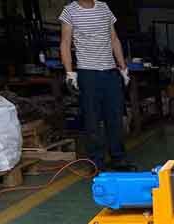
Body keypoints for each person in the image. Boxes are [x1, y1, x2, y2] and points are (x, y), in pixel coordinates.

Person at [60, 0, 132, 170]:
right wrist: (70, 73)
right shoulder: (69, 11)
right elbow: (65, 43)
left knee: (115, 118)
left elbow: (114, 39)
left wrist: (123, 68)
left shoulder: (104, 7)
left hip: (110, 72)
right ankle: (96, 161)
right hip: (88, 73)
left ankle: (118, 158)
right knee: (92, 120)